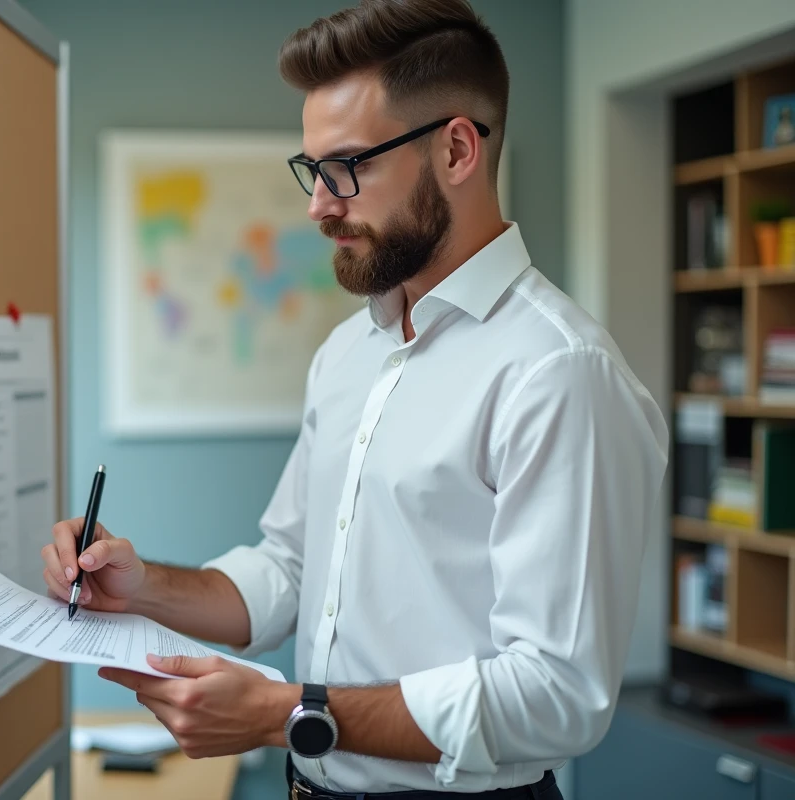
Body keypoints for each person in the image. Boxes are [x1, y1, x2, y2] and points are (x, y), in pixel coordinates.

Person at [42, 0, 668, 796]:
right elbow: (292, 569)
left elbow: (555, 695)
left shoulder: (559, 372)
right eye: (312, 169)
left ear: (456, 150)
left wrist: (285, 714)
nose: (318, 205)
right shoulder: (348, 353)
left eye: (348, 167)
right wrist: (142, 587)